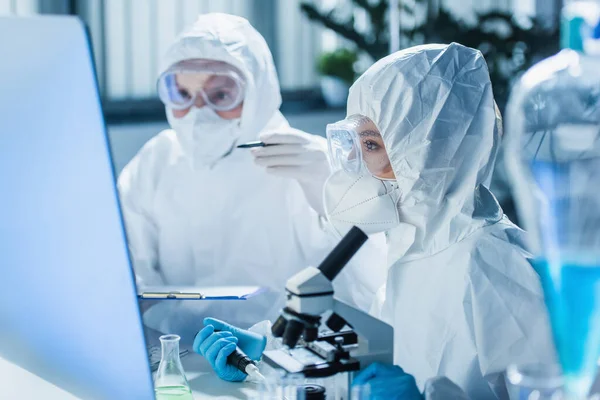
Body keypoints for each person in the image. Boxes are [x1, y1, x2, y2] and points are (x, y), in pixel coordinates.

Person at [194, 43, 555, 399]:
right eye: (352, 143)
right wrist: (269, 349)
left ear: (432, 148)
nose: (355, 165)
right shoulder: (410, 243)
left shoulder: (495, 265)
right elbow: (379, 344)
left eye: (370, 145)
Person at [117, 13, 386, 341]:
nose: (198, 112)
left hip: (282, 353)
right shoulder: (156, 160)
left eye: (220, 96)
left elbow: (368, 288)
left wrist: (335, 195)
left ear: (258, 92)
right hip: (177, 349)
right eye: (182, 95)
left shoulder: (310, 162)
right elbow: (126, 268)